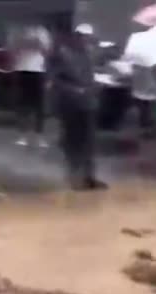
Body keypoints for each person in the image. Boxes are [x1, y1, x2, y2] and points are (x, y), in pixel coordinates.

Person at [49, 24, 107, 190]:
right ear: (76, 37)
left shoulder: (88, 55)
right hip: (70, 104)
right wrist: (75, 89)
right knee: (73, 141)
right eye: (82, 36)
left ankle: (89, 177)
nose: (86, 40)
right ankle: (73, 176)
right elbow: (55, 80)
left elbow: (90, 77)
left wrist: (97, 85)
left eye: (88, 37)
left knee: (89, 142)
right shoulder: (61, 54)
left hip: (88, 103)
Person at [8, 22, 52, 148]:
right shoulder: (18, 31)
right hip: (21, 69)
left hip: (38, 70)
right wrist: (22, 43)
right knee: (23, 104)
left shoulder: (42, 32)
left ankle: (39, 137)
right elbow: (12, 49)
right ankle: (23, 136)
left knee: (39, 106)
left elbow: (47, 51)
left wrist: (36, 42)